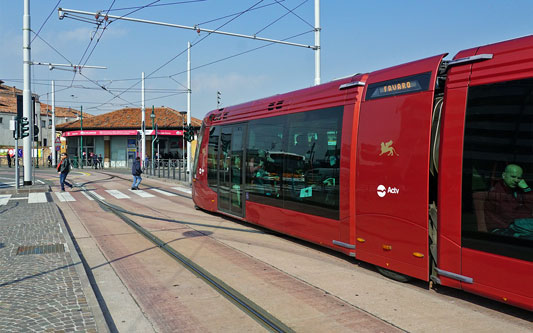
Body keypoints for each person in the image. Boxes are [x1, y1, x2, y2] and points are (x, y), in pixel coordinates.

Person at [484, 164, 533, 235]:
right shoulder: (497, 192)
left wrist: (526, 189)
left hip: (514, 225)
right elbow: (510, 216)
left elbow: (531, 207)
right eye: (513, 177)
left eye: (519, 178)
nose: (516, 180)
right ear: (504, 175)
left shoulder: (516, 190)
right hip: (502, 229)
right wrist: (528, 214)